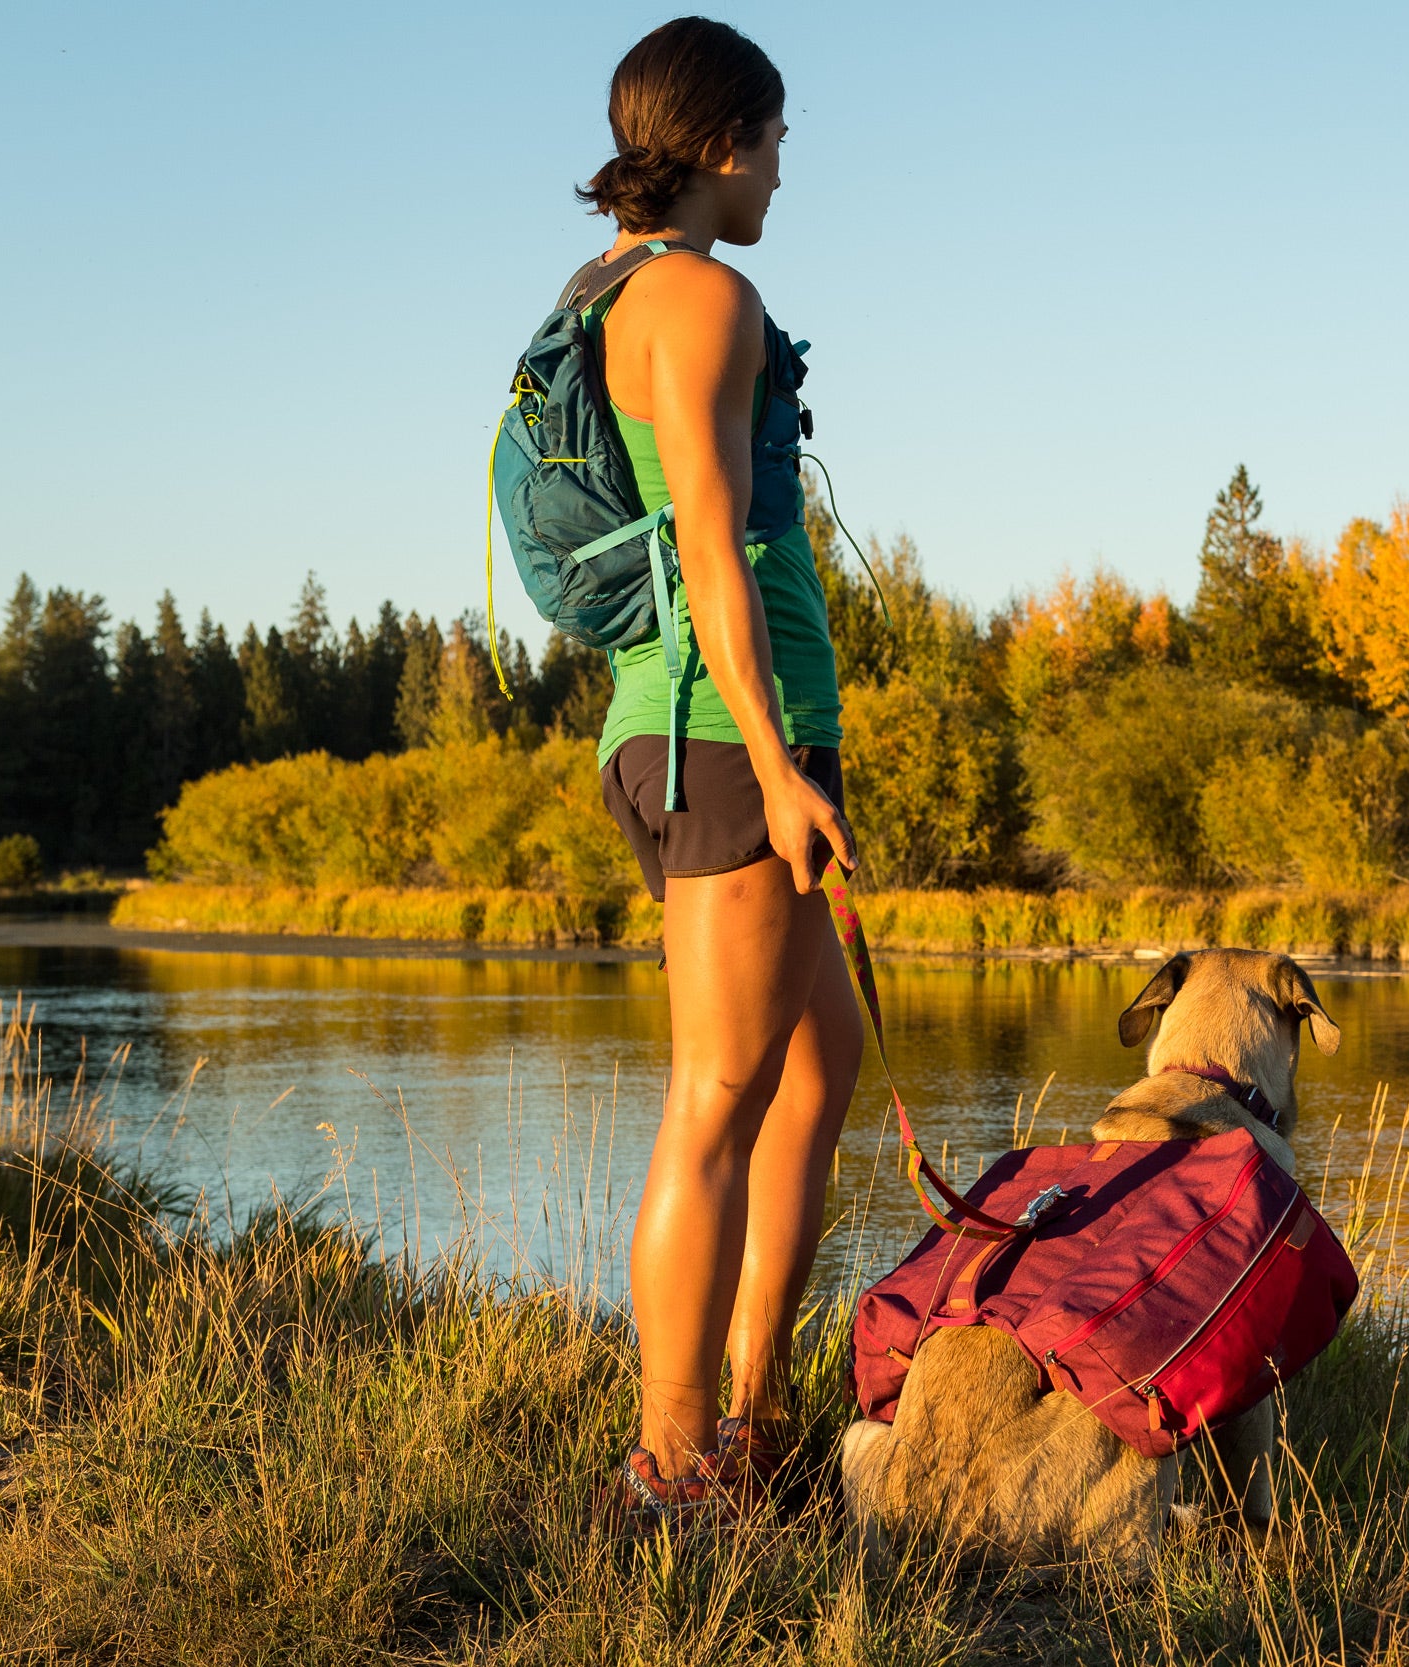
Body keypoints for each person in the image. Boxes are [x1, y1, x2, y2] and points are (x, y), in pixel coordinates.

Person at [575, 16, 861, 1526]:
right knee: (718, 1098)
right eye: (780, 135)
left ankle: (750, 1419)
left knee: (819, 1068)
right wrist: (777, 760)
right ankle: (675, 1471)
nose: (784, 165)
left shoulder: (607, 290)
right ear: (730, 137)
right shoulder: (699, 295)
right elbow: (703, 534)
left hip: (675, 725)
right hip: (722, 740)